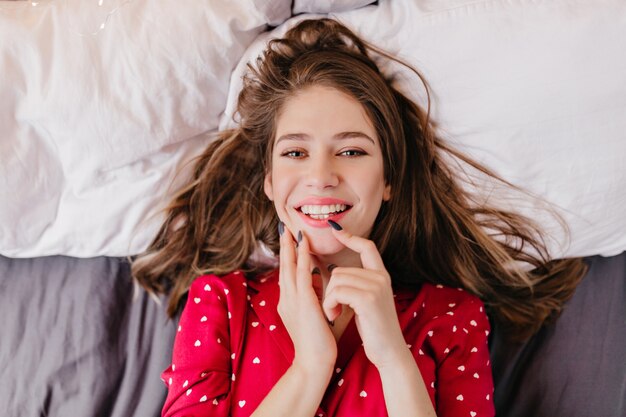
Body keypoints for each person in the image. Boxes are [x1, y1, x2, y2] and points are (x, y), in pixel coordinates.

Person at [132, 18, 587, 417]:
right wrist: (310, 365)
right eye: (295, 152)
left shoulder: (452, 316)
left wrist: (393, 357)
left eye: (351, 151)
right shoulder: (220, 303)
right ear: (269, 181)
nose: (321, 176)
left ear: (388, 181)